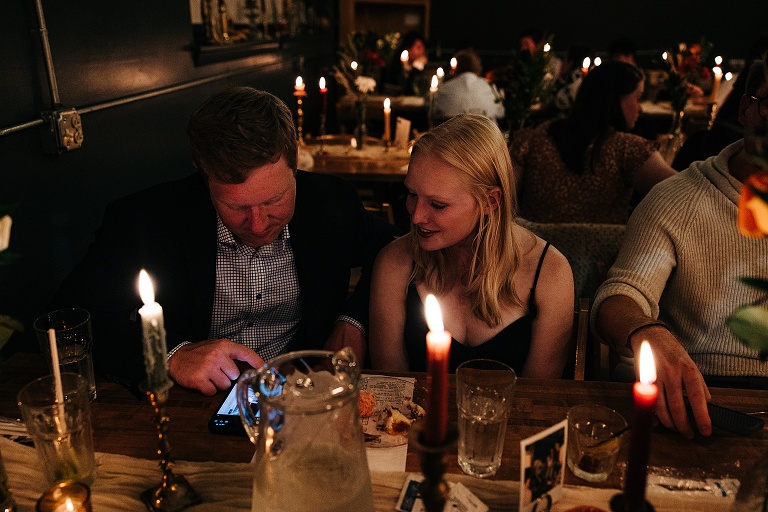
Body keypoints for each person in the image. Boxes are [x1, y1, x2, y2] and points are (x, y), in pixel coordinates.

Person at [51, 87, 397, 395]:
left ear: (294, 158)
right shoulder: (145, 220)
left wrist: (353, 320)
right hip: (193, 403)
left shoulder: (331, 202)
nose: (259, 225)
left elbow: (396, 250)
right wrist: (171, 356)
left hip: (304, 394)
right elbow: (68, 319)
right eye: (236, 207)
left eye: (274, 200)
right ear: (203, 174)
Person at [592, 60, 768, 439]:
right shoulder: (679, 199)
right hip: (699, 400)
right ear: (745, 108)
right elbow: (619, 297)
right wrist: (644, 328)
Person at [369, 114, 574, 376]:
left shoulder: (550, 274)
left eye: (438, 205)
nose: (416, 216)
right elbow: (390, 389)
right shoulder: (394, 263)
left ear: (490, 201)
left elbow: (538, 399)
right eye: (411, 195)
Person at [511, 60, 677, 224]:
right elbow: (686, 193)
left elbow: (502, 193)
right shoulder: (628, 150)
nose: (640, 108)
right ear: (615, 99)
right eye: (637, 98)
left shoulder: (537, 136)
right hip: (605, 250)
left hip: (536, 248)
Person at [432, 48, 504, 122]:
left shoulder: (444, 89)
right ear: (478, 67)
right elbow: (501, 113)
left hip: (453, 132)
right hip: (485, 132)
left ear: (456, 67)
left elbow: (434, 113)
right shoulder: (489, 87)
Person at [385, 31, 428, 96]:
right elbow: (407, 90)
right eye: (418, 47)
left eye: (423, 47)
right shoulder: (396, 67)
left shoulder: (423, 67)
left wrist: (416, 68)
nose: (422, 51)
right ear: (408, 49)